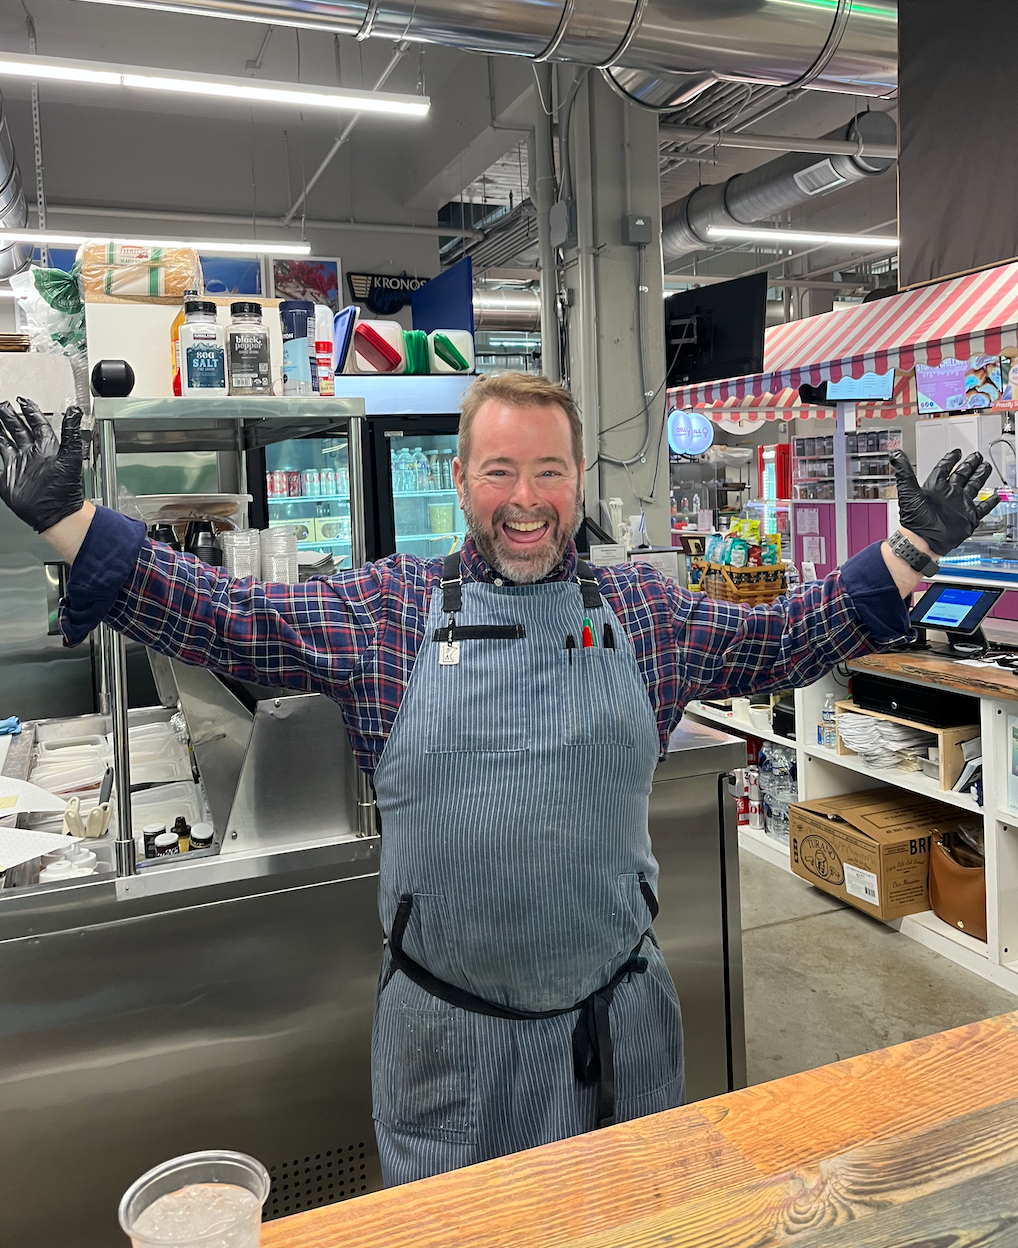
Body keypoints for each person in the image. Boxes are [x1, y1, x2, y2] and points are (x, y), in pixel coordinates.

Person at [0, 375, 998, 1186]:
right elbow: (231, 615)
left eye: (549, 471)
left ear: (577, 480)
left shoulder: (644, 612)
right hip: (450, 1052)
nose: (526, 499)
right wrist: (71, 523)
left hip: (620, 1033)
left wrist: (911, 551)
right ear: (460, 478)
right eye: (500, 471)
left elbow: (781, 638)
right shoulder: (387, 611)